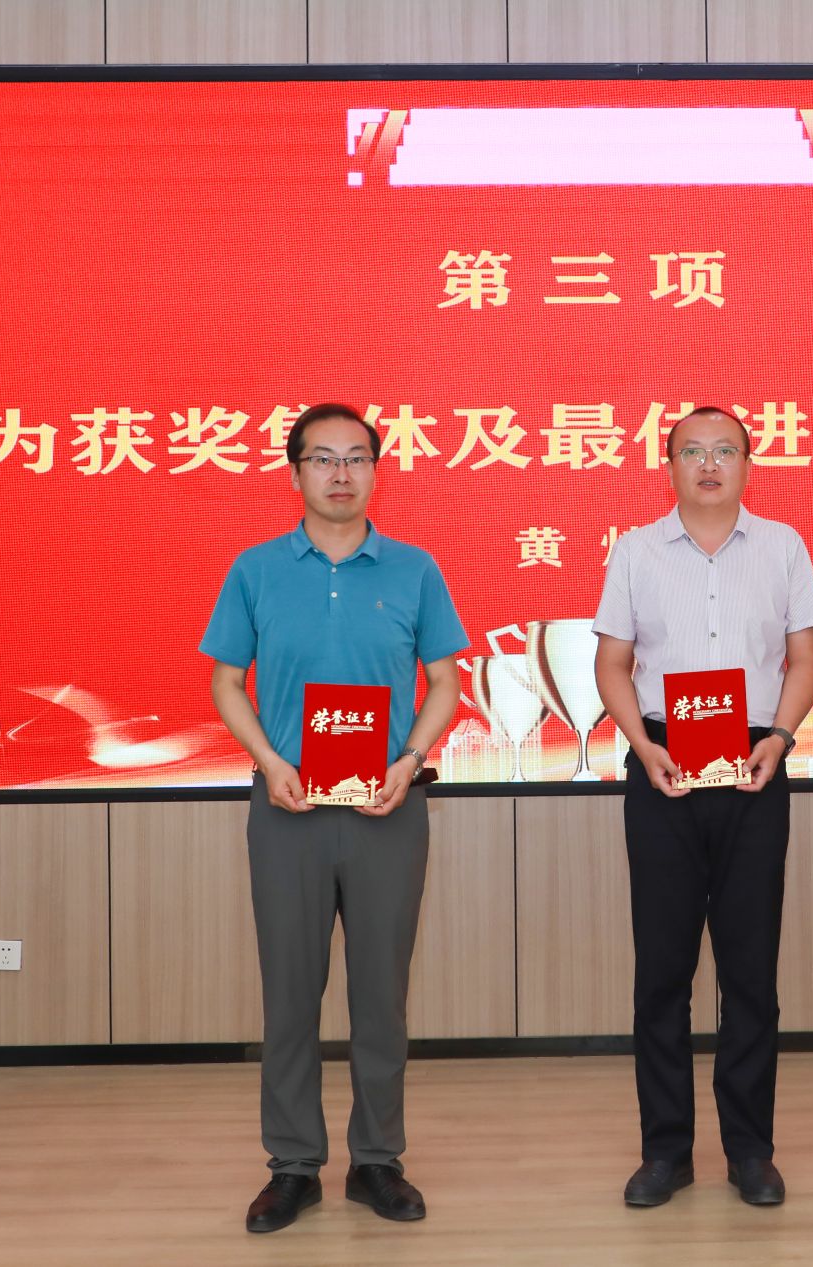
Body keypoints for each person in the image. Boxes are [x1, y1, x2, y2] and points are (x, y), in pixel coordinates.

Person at [200, 402, 467, 1234]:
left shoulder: (414, 569)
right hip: (289, 808)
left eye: (356, 457)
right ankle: (292, 1165)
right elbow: (226, 682)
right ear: (296, 473)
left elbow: (446, 683)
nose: (341, 473)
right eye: (323, 458)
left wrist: (409, 760)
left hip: (389, 806)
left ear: (377, 471)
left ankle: (378, 1159)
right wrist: (270, 762)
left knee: (381, 994)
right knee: (290, 993)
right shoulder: (255, 569)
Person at [592, 405, 813, 1208]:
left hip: (756, 762)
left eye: (725, 450)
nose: (708, 464)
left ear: (748, 464)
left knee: (749, 970)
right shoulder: (636, 550)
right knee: (662, 970)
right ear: (668, 466)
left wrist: (782, 738)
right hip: (664, 762)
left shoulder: (783, 545)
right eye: (691, 451)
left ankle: (750, 1150)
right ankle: (666, 1151)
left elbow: (805, 656)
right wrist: (641, 743)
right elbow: (614, 663)